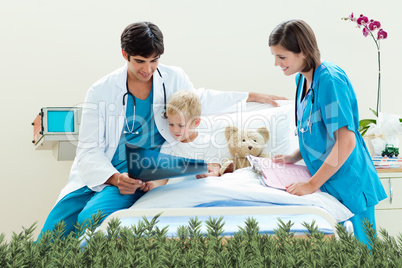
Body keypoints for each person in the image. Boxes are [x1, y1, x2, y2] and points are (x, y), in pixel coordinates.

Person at [38, 21, 286, 238]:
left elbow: (199, 100)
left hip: (142, 170)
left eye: (154, 61)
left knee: (89, 220)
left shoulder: (173, 77)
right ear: (125, 54)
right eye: (140, 62)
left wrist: (251, 96)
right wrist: (114, 178)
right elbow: (89, 149)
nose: (147, 69)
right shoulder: (101, 90)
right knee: (52, 233)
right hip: (103, 169)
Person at [269, 19, 387, 245]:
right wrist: (294, 156)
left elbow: (346, 142)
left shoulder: (330, 81)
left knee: (362, 253)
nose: (276, 63)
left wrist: (311, 185)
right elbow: (314, 129)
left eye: (281, 57)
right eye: (274, 56)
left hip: (348, 183)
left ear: (303, 51)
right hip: (328, 181)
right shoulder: (302, 79)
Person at [154, 90, 221, 187]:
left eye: (181, 125)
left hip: (198, 190)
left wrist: (208, 174)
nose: (175, 130)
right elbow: (161, 179)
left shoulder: (208, 142)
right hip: (173, 193)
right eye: (171, 124)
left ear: (196, 122)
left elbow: (215, 169)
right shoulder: (168, 146)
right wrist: (149, 185)